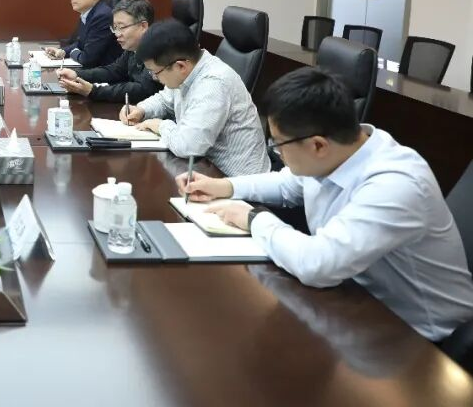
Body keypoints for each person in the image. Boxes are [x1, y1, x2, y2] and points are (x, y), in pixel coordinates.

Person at [179, 67, 473, 342]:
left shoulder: (395, 184)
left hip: (421, 336)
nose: (278, 154)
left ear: (318, 145)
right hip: (357, 300)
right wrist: (225, 187)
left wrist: (253, 218)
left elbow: (318, 264)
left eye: (278, 145)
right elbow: (288, 183)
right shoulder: (344, 151)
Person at [122, 19, 269, 176]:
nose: (154, 78)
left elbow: (189, 146)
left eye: (155, 72)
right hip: (205, 169)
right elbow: (165, 99)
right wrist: (142, 110)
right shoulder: (187, 70)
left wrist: (160, 125)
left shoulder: (213, 84)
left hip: (236, 181)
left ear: (180, 66)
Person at [57, 0, 160, 104]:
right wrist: (77, 74)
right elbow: (114, 70)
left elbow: (143, 90)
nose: (117, 34)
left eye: (122, 27)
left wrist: (93, 91)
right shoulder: (132, 48)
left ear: (143, 26)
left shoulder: (158, 49)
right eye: (115, 28)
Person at [43, 0, 121, 69]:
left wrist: (73, 52)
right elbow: (81, 44)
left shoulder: (102, 16)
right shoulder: (88, 13)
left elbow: (87, 59)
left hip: (105, 74)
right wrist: (62, 51)